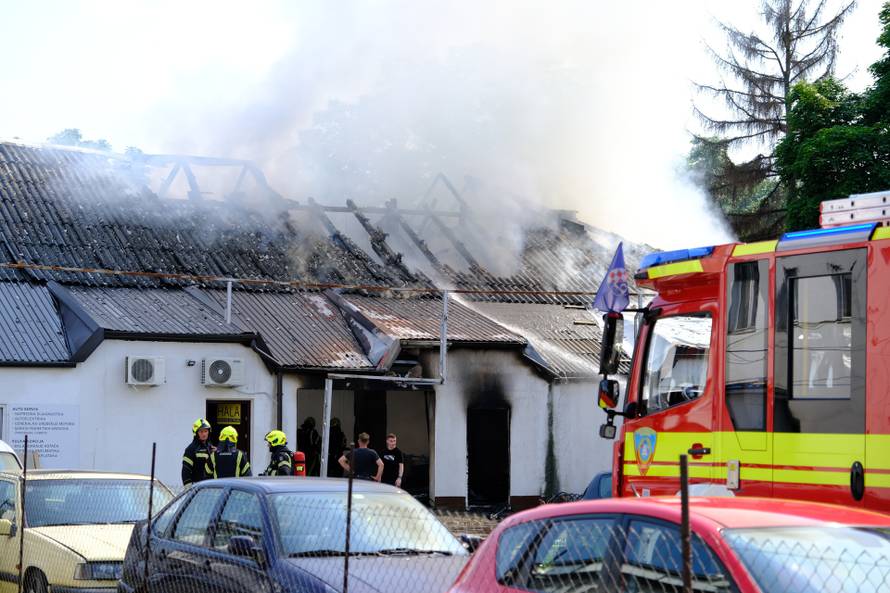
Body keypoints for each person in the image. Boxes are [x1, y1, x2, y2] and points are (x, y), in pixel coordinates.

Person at [182, 418, 215, 487]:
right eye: (201, 432)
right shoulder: (191, 449)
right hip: (197, 487)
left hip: (211, 487)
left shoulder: (211, 448)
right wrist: (189, 489)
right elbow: (185, 471)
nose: (204, 434)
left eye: (206, 431)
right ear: (196, 433)